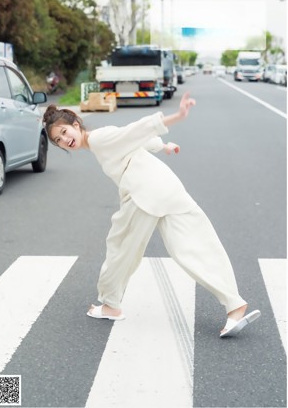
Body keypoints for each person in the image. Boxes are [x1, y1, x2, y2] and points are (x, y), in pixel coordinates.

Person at [43, 93, 260, 338]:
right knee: (197, 245)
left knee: (120, 248)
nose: (64, 139)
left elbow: (136, 130)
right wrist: (163, 146)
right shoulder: (102, 138)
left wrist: (176, 117)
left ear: (76, 125)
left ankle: (111, 305)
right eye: (58, 140)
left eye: (64, 132)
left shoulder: (100, 138)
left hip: (143, 193)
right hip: (167, 186)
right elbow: (134, 141)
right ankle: (234, 304)